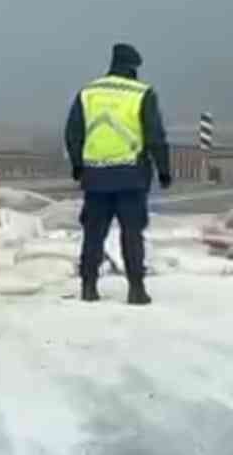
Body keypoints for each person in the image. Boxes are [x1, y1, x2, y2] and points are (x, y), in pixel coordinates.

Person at [64, 43, 171, 305]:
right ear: (133, 67)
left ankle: (89, 287)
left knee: (93, 233)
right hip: (130, 177)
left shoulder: (88, 93)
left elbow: (73, 133)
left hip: (96, 178)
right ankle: (136, 289)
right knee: (132, 232)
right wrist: (164, 169)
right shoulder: (142, 93)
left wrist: (78, 166)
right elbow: (155, 135)